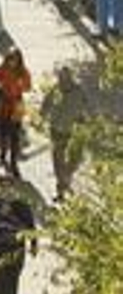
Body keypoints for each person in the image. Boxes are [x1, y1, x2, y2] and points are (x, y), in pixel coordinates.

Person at [42, 66, 89, 201]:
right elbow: (46, 104)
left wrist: (83, 119)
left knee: (75, 158)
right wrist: (43, 114)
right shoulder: (55, 90)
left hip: (74, 129)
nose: (63, 81)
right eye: (61, 78)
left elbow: (85, 106)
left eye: (66, 77)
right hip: (57, 129)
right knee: (58, 160)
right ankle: (61, 189)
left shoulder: (79, 91)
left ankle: (66, 178)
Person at [0, 48, 32, 176]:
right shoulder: (2, 68)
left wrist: (22, 85)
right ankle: (3, 151)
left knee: (15, 134)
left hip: (17, 103)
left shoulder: (23, 72)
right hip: (3, 102)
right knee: (2, 131)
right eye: (10, 59)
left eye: (15, 59)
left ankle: (13, 162)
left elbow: (28, 87)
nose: (12, 62)